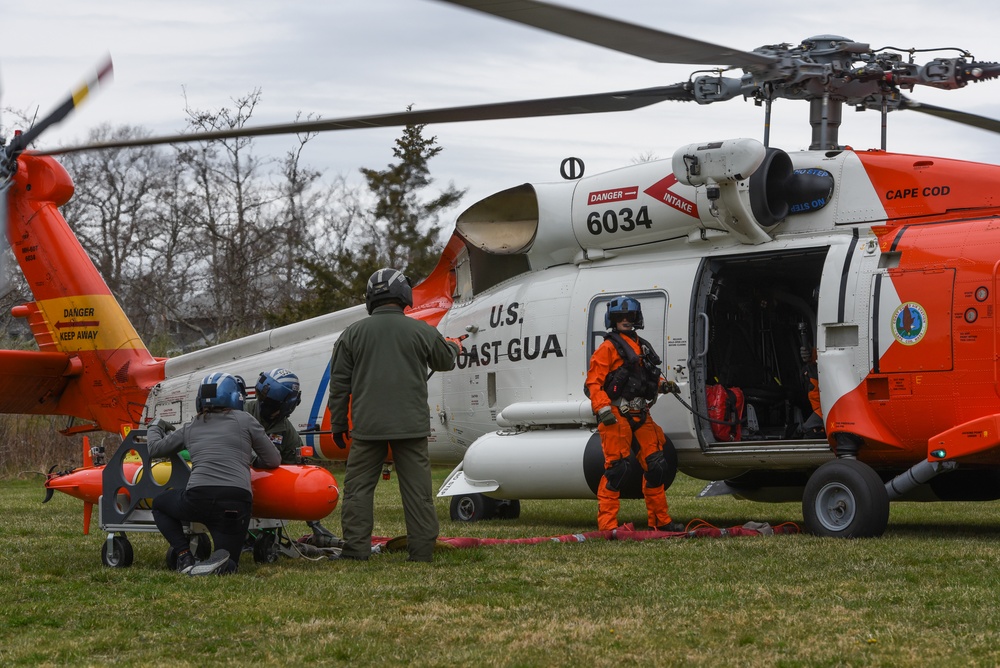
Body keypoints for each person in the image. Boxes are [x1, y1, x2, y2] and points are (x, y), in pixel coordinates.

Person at [328, 268, 461, 562]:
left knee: (358, 491)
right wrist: (454, 346)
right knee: (418, 493)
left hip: (367, 427)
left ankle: (355, 551)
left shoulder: (352, 334)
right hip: (410, 426)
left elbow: (339, 385)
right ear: (403, 296)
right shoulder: (422, 330)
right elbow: (444, 361)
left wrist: (338, 423)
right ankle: (422, 552)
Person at [148, 371, 280, 575]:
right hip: (236, 503)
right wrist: (252, 458)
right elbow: (273, 460)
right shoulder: (245, 420)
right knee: (230, 564)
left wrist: (155, 426)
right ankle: (221, 561)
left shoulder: (192, 425)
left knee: (159, 504)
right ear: (236, 398)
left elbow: (155, 449)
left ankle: (184, 556)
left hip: (198, 499)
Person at [585, 296, 683, 532]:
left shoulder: (642, 346)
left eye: (630, 317)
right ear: (613, 321)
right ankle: (608, 526)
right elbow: (592, 384)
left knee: (657, 466)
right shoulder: (607, 348)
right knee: (617, 469)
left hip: (641, 413)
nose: (626, 321)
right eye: (621, 317)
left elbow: (647, 377)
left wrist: (663, 385)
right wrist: (603, 409)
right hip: (616, 414)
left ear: (637, 319)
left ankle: (659, 521)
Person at [245, 368, 340, 544]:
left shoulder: (287, 434)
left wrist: (314, 522)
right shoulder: (243, 414)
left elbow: (296, 477)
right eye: (264, 400)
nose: (265, 405)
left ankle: (266, 534)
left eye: (272, 403)